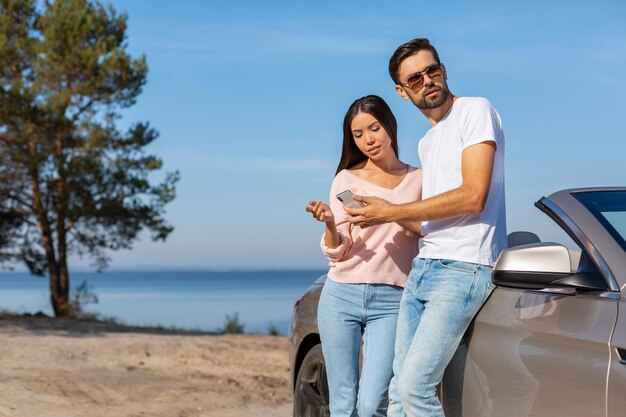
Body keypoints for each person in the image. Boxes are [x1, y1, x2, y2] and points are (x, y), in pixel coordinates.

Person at [345, 38, 507, 417]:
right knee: (399, 393)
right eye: (415, 79)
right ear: (402, 92)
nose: (427, 81)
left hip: (464, 268)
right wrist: (379, 212)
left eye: (432, 70)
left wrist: (392, 210)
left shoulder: (475, 111)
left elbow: (473, 196)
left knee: (416, 389)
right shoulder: (428, 141)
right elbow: (431, 221)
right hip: (425, 267)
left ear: (443, 70)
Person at [305, 95, 422, 417]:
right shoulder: (346, 179)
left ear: (390, 126)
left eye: (374, 128)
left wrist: (390, 213)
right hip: (341, 294)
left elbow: (430, 230)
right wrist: (330, 223)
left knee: (373, 404)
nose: (368, 140)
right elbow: (338, 250)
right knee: (342, 403)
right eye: (358, 135)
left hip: (393, 299)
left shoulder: (419, 179)